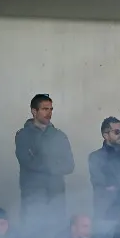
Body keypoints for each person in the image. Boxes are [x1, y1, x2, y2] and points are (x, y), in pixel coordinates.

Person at [15, 93, 74, 225]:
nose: (49, 113)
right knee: (33, 235)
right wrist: (54, 163)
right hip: (33, 196)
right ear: (34, 111)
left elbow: (69, 165)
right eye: (45, 109)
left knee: (56, 237)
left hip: (56, 196)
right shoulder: (23, 135)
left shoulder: (59, 135)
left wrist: (42, 159)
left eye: (51, 109)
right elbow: (27, 161)